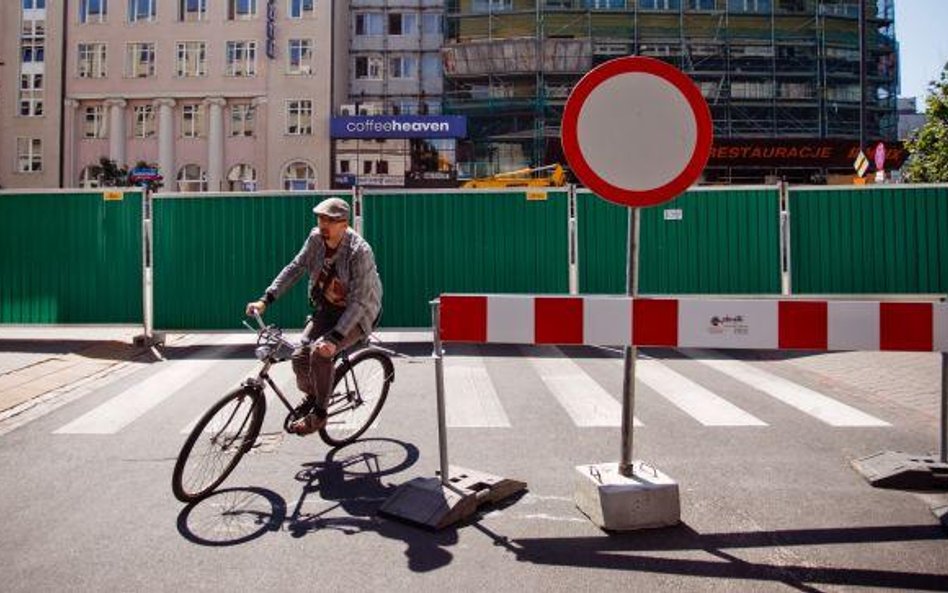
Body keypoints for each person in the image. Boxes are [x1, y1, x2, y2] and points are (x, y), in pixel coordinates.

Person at [246, 197, 382, 435]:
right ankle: (317, 396)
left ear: (344, 223)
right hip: (327, 309)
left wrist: (334, 339)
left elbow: (360, 300)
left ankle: (319, 414)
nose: (323, 225)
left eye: (330, 220)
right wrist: (266, 299)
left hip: (357, 315)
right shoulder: (316, 239)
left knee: (320, 353)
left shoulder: (360, 252)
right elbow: (295, 268)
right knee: (300, 356)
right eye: (320, 218)